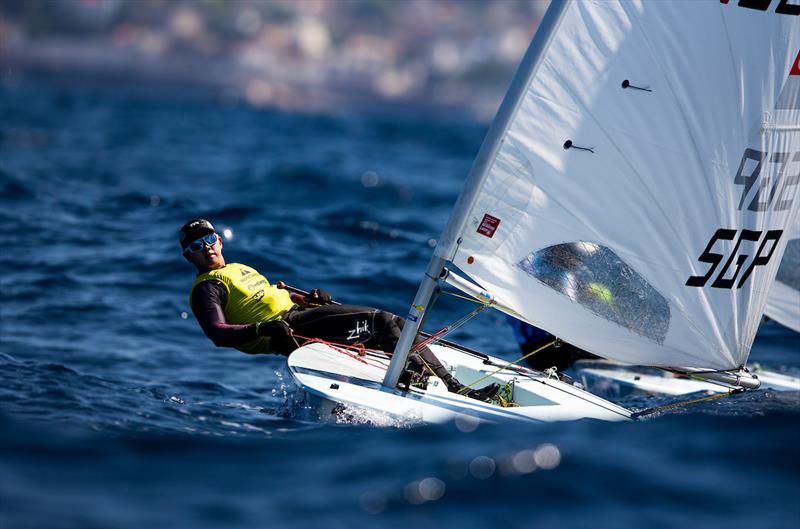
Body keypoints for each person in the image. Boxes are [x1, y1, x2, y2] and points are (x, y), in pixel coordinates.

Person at [179, 218, 500, 402]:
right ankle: (451, 391)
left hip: (296, 316)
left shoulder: (237, 268)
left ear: (219, 240)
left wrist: (309, 300)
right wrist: (264, 330)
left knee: (399, 322)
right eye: (195, 246)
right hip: (284, 332)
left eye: (208, 239)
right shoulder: (207, 287)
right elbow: (217, 334)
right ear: (189, 257)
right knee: (381, 323)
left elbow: (273, 297)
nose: (205, 247)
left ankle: (430, 381)